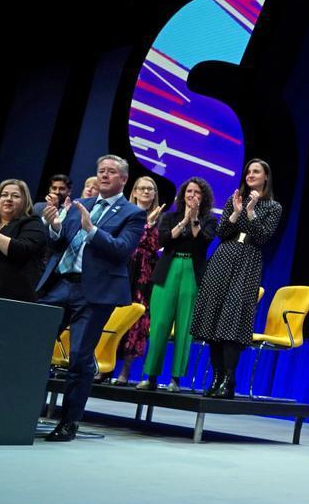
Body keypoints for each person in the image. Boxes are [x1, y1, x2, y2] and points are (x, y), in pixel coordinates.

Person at [37, 155, 146, 442]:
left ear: (123, 179)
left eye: (111, 172)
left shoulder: (132, 213)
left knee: (79, 358)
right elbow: (59, 243)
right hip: (62, 284)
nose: (104, 176)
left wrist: (92, 230)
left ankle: (68, 421)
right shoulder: (81, 205)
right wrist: (55, 227)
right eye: (101, 171)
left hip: (94, 293)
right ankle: (23, 409)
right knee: (33, 343)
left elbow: (122, 249)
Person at [190, 159, 282, 399]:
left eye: (256, 171)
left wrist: (250, 213)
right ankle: (217, 377)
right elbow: (220, 233)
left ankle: (230, 379)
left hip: (248, 260)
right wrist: (237, 212)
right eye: (248, 171)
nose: (250, 175)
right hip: (223, 257)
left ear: (266, 177)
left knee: (232, 320)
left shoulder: (273, 207)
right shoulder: (235, 200)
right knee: (214, 317)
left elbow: (263, 237)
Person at [136, 177, 217, 392]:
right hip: (167, 271)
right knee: (160, 325)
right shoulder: (170, 217)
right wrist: (183, 222)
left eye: (197, 193)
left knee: (184, 327)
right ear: (182, 196)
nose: (192, 196)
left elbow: (202, 242)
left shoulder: (209, 220)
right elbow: (162, 241)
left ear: (203, 197)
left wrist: (194, 219)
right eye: (189, 192)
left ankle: (175, 379)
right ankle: (150, 376)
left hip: (192, 271)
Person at [111, 176, 164, 385]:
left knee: (137, 320)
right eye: (141, 188)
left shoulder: (160, 218)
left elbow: (155, 246)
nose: (146, 192)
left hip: (145, 273)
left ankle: (125, 372)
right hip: (123, 267)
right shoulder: (123, 214)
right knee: (114, 315)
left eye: (150, 189)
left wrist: (150, 225)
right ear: (133, 192)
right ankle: (104, 367)